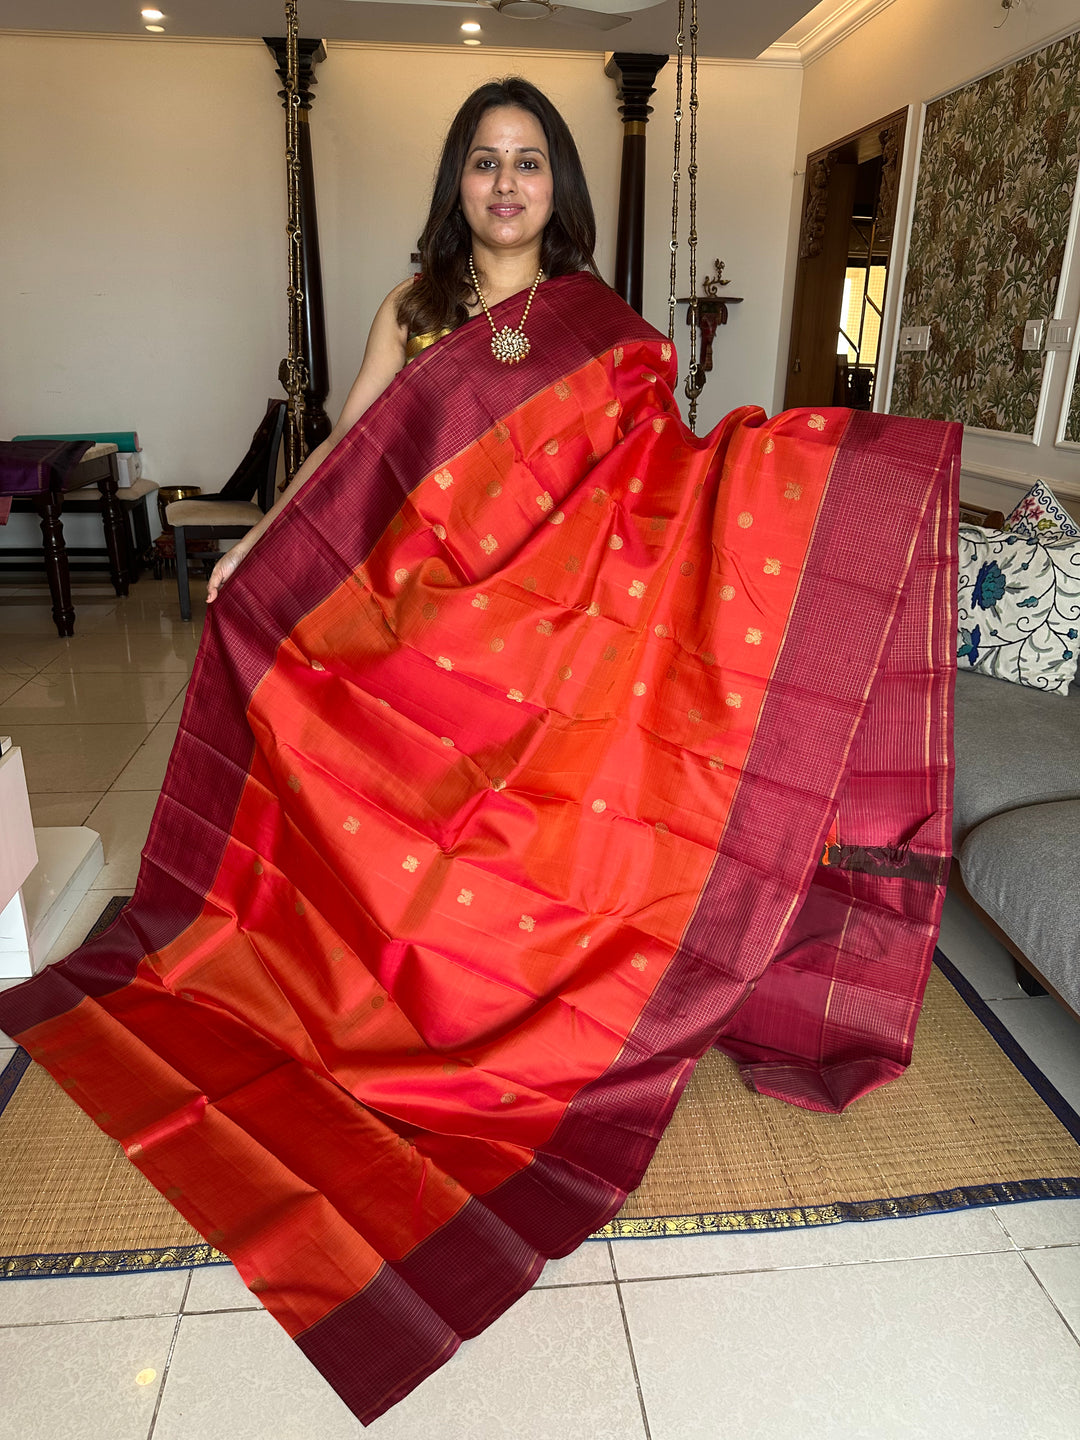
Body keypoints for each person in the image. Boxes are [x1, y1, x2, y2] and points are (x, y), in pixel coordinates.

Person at [206, 76, 601, 605]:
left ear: (559, 184)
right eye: (485, 163)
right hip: (425, 597)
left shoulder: (592, 320)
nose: (505, 183)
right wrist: (255, 541)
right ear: (458, 185)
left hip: (549, 601)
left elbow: (640, 469)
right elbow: (344, 443)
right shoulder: (412, 309)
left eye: (527, 163)